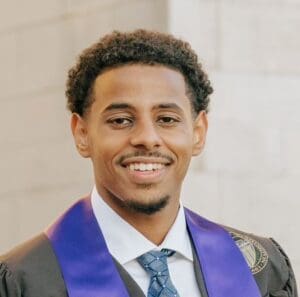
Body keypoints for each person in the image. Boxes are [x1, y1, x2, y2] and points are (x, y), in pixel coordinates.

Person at [0, 29, 297, 297]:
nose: (147, 138)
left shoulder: (259, 269)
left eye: (167, 119)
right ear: (82, 134)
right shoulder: (25, 281)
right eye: (121, 120)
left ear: (198, 133)